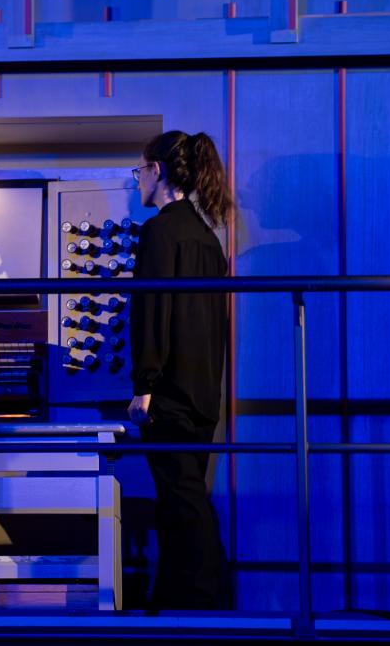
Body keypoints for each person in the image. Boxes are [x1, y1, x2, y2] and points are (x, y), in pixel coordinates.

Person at [128, 130, 234, 610]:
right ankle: (170, 600)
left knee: (183, 502)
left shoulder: (160, 232)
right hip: (203, 391)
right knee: (180, 499)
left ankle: (210, 600)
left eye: (139, 171)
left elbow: (153, 311)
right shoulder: (207, 238)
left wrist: (144, 384)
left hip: (168, 391)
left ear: (158, 171)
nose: (136, 182)